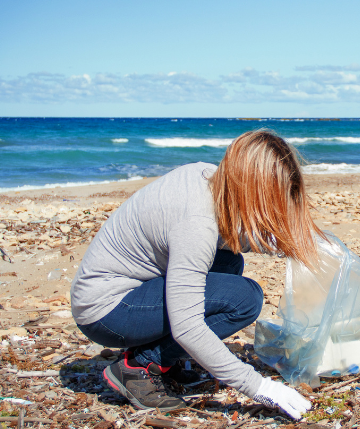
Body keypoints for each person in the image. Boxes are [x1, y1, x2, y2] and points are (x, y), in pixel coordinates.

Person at [70, 130, 322, 419]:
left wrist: (272, 244)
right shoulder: (196, 223)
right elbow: (187, 326)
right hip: (106, 310)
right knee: (245, 299)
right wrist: (259, 387)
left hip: (129, 292)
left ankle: (164, 357)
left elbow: (224, 235)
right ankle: (138, 368)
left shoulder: (208, 177)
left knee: (228, 262)